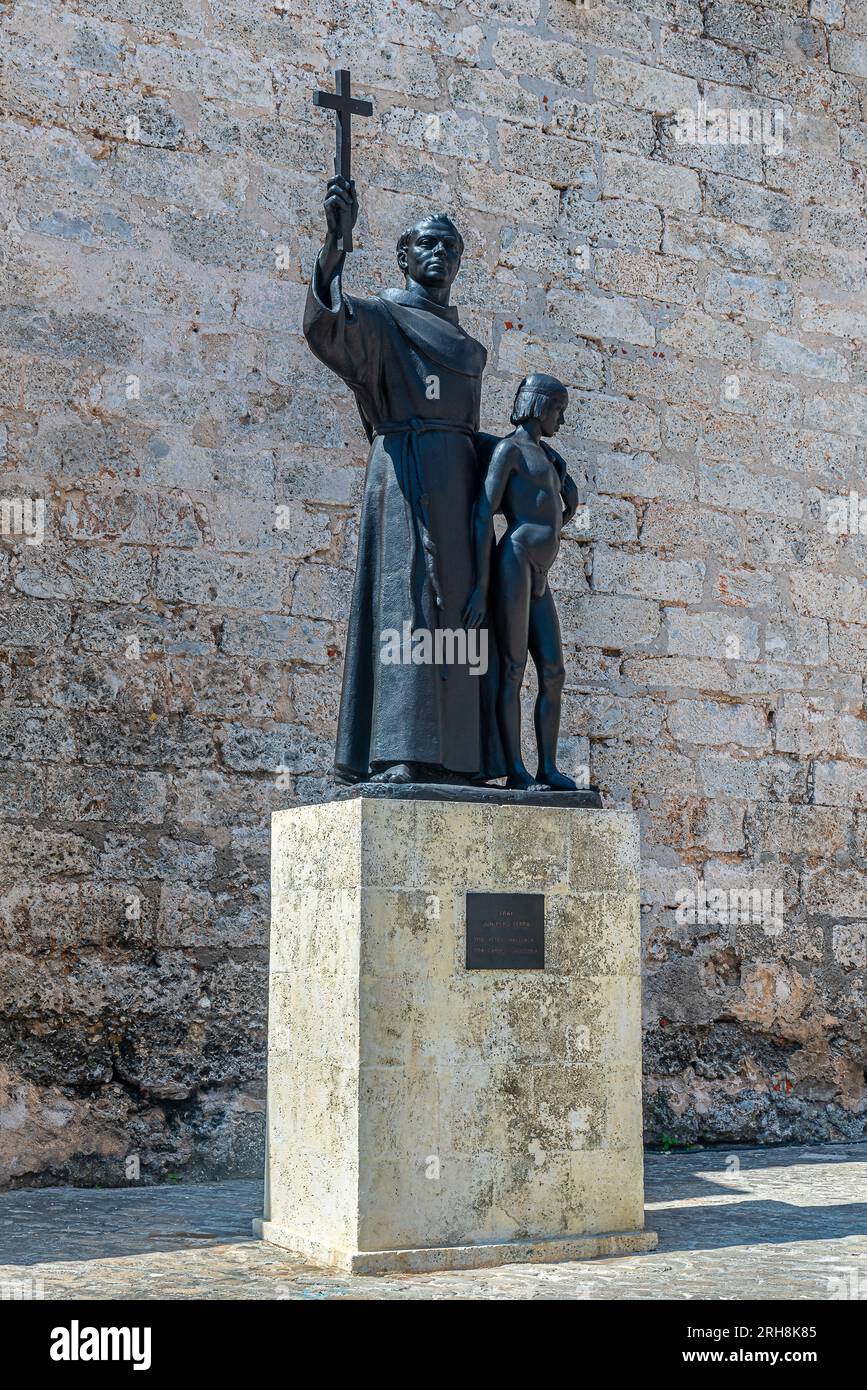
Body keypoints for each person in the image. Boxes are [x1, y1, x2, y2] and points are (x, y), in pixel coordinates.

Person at [303, 174, 503, 785]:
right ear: (404, 256)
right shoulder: (383, 319)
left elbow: (464, 429)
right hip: (405, 480)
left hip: (460, 488)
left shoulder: (467, 343)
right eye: (427, 245)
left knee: (460, 620)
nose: (440, 254)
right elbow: (327, 327)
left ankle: (464, 761)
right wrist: (335, 247)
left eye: (451, 247)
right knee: (408, 607)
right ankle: (399, 751)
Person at [463, 374, 579, 790]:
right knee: (512, 668)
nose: (561, 422)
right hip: (513, 563)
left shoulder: (548, 458)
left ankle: (548, 767)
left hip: (540, 574)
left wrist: (572, 501)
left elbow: (555, 517)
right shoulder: (508, 450)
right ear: (540, 406)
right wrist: (480, 584)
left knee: (553, 670)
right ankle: (516, 770)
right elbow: (482, 513)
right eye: (559, 412)